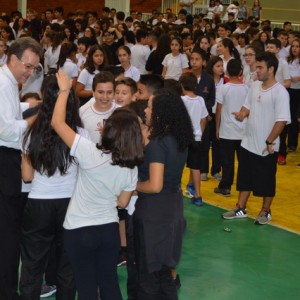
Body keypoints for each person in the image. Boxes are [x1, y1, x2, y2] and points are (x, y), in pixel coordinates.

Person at [51, 70, 144, 300]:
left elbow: (57, 122)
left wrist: (64, 91)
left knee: (86, 286)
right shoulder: (131, 168)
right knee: (110, 283)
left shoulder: (88, 151)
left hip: (78, 229)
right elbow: (122, 202)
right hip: (108, 231)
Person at [19, 75, 79, 300]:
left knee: (32, 266)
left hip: (38, 204)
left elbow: (26, 177)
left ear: (43, 98)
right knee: (67, 266)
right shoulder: (78, 135)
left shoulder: (29, 133)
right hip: (70, 205)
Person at [134, 88, 194, 299]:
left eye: (149, 106)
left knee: (150, 276)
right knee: (164, 273)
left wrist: (133, 186)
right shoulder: (178, 138)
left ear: (160, 112)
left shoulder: (158, 144)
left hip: (154, 213)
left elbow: (155, 185)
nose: (146, 110)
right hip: (172, 208)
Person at [222, 52, 291, 225]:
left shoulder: (280, 92)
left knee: (267, 179)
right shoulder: (254, 86)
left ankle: (266, 211)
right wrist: (242, 114)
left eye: (260, 67)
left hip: (266, 146)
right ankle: (240, 208)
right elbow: (247, 106)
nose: (257, 70)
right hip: (247, 142)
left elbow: (281, 121)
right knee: (244, 177)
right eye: (256, 67)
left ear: (271, 69)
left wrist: (269, 141)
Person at [0, 36, 42, 300]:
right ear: (13, 59)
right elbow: (5, 128)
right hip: (5, 161)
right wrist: (34, 118)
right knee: (8, 233)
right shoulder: (4, 85)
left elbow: (11, 113)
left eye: (35, 68)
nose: (30, 72)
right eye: (27, 66)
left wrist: (29, 106)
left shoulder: (8, 83)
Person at [214, 59, 248, 197]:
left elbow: (219, 110)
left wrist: (217, 127)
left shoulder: (223, 88)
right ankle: (243, 187)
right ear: (241, 72)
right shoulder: (247, 88)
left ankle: (225, 187)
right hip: (243, 131)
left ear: (227, 72)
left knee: (227, 161)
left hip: (227, 131)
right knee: (243, 162)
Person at [179, 72, 208, 206]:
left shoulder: (181, 100)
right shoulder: (200, 100)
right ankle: (198, 195)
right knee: (195, 167)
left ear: (182, 86)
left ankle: (176, 191)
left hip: (182, 138)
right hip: (196, 137)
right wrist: (200, 133)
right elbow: (204, 119)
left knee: (178, 165)